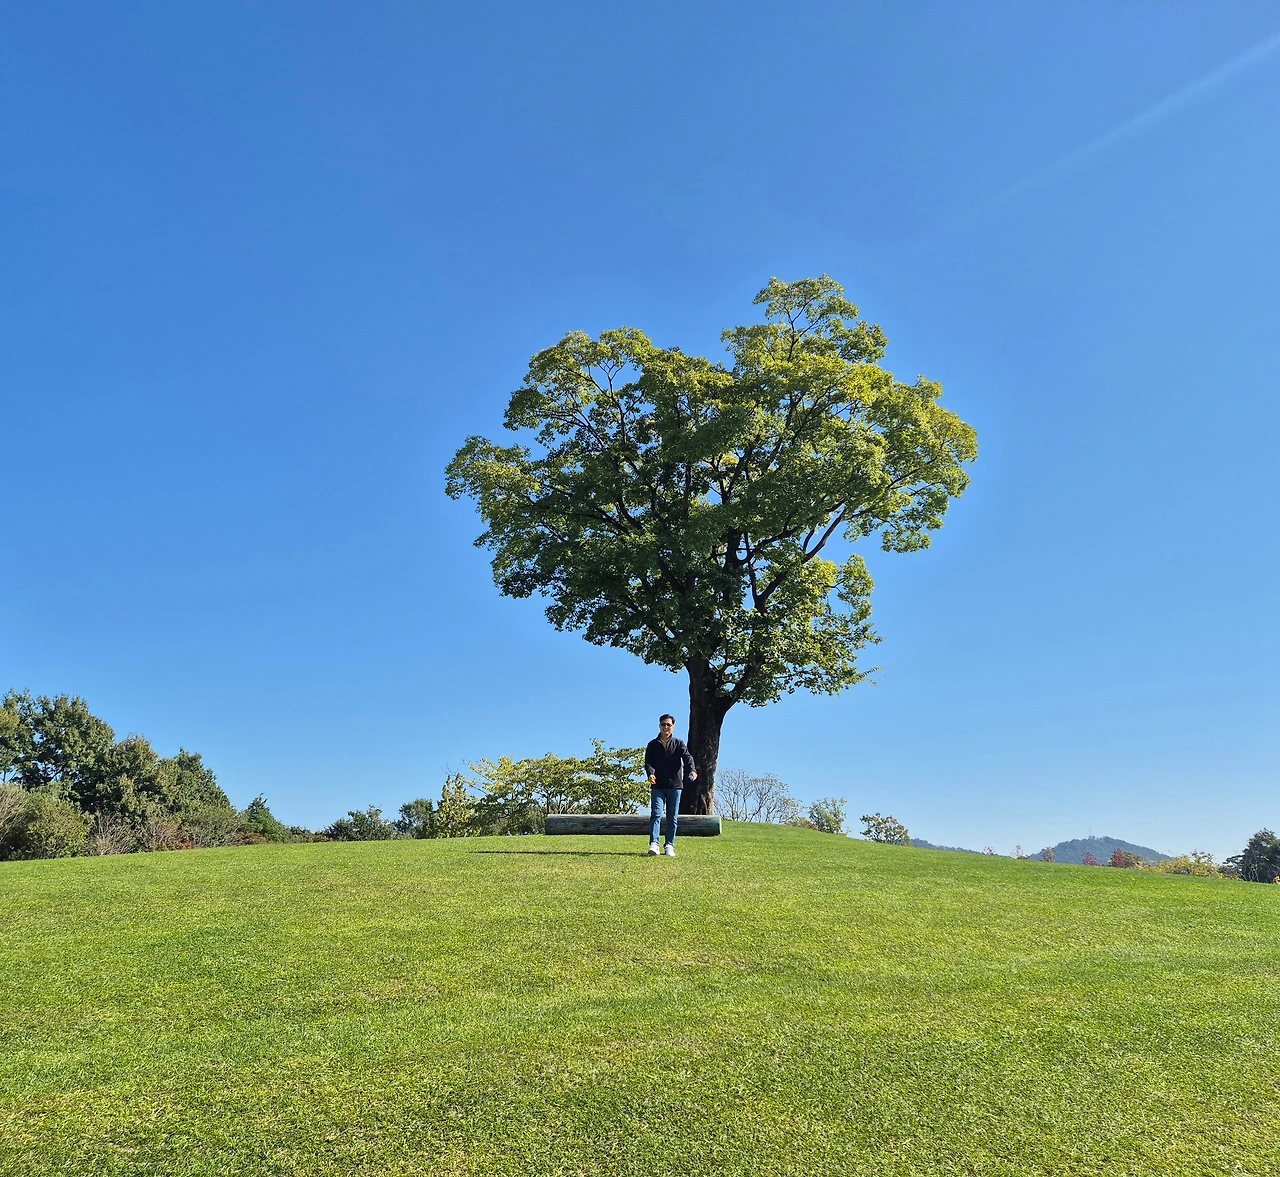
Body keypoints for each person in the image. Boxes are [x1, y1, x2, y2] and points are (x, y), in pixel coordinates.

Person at [644, 714, 696, 857]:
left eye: (668, 724)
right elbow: (648, 762)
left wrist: (692, 770)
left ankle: (669, 845)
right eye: (663, 724)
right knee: (656, 814)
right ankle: (654, 844)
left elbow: (688, 758)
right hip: (658, 786)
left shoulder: (679, 743)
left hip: (675, 786)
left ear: (673, 727)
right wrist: (650, 774)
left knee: (672, 817)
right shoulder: (652, 744)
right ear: (659, 726)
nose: (665, 727)